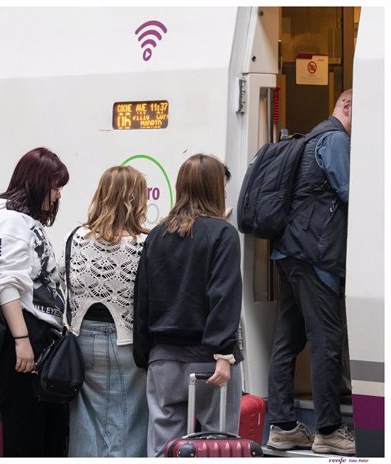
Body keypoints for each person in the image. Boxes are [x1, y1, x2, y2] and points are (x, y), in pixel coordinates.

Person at [133, 153, 244, 457]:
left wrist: (146, 356)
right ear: (214, 189)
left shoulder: (156, 236)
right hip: (210, 361)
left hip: (163, 360)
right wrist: (224, 352)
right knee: (216, 448)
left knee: (162, 449)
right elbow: (224, 295)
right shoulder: (223, 234)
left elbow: (142, 298)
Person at [266, 89, 355, 456]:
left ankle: (284, 426)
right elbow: (353, 193)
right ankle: (329, 429)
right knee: (326, 339)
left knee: (288, 338)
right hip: (316, 254)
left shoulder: (312, 137)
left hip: (292, 251)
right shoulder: (335, 139)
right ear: (349, 107)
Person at [0, 147, 70, 457]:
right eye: (54, 187)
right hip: (25, 332)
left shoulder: (19, 220)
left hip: (33, 334)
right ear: (36, 183)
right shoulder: (11, 221)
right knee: (26, 434)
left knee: (37, 432)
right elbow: (6, 283)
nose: (57, 196)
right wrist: (21, 339)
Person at [60, 165, 149, 457]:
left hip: (80, 340)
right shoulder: (142, 244)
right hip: (126, 344)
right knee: (129, 423)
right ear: (136, 200)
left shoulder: (77, 237)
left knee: (85, 421)